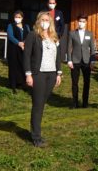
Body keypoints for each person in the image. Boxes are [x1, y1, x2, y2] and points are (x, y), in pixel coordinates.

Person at [23, 11, 62, 147]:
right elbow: (26, 56)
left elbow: (58, 57)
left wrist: (59, 73)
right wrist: (28, 74)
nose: (45, 22)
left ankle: (36, 132)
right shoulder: (32, 35)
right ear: (38, 21)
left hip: (51, 75)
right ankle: (36, 137)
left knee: (42, 104)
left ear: (50, 22)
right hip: (38, 74)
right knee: (38, 105)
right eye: (43, 19)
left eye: (47, 20)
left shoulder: (54, 37)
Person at [67, 15, 96, 108]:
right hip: (75, 60)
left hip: (86, 61)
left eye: (83, 21)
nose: (81, 23)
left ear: (86, 22)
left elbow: (92, 49)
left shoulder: (90, 34)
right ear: (77, 22)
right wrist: (69, 60)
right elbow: (68, 48)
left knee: (86, 82)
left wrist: (92, 61)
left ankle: (85, 103)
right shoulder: (72, 33)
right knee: (74, 82)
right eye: (80, 21)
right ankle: (74, 103)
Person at [6, 10, 31, 93]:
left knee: (22, 66)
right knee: (13, 66)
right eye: (16, 17)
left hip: (23, 49)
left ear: (22, 18)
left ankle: (22, 84)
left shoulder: (26, 26)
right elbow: (10, 36)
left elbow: (29, 36)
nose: (17, 18)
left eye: (19, 17)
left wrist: (24, 43)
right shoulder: (11, 26)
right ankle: (13, 85)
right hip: (13, 49)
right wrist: (18, 43)